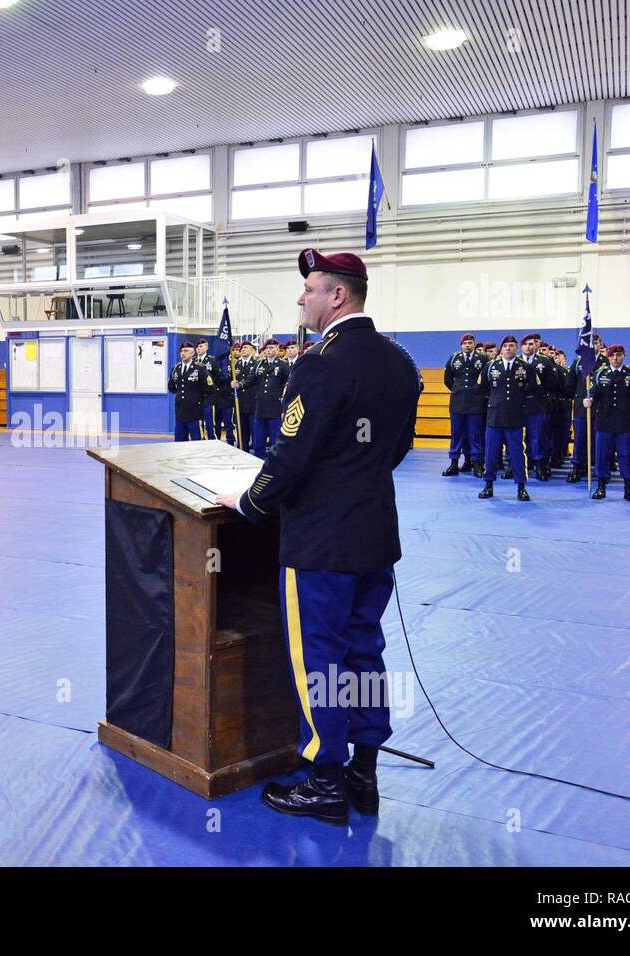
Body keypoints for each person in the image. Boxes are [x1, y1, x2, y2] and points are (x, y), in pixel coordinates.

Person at [215, 248, 418, 826]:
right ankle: (364, 771)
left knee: (321, 660)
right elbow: (396, 447)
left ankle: (324, 778)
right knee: (364, 650)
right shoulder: (399, 362)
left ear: (337, 296)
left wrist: (250, 501)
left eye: (309, 289)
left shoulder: (321, 363)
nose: (301, 299)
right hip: (374, 533)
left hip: (321, 542)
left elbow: (290, 455)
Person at [478, 335, 533, 501]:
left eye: (512, 346)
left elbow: (532, 390)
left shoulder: (525, 367)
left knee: (517, 454)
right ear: (501, 349)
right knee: (491, 454)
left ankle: (521, 487)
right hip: (494, 418)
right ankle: (488, 485)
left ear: (516, 348)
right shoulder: (490, 366)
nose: (508, 348)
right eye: (506, 346)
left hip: (515, 418)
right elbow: (482, 389)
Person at [586, 344, 630, 501]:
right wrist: (589, 399)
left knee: (626, 455)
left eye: (618, 355)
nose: (615, 358)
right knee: (602, 456)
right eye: (612, 356)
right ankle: (601, 487)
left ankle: (628, 489)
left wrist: (629, 408)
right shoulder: (600, 374)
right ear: (608, 357)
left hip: (624, 423)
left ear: (624, 355)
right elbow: (593, 392)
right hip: (604, 422)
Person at [442, 333, 486, 476]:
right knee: (456, 434)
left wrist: (477, 392)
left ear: (474, 344)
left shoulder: (482, 359)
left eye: (470, 343)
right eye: (465, 343)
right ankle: (454, 463)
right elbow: (448, 379)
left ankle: (477, 464)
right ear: (461, 345)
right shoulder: (454, 358)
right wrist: (458, 390)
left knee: (475, 434)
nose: (467, 345)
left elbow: (486, 380)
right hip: (458, 402)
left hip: (476, 402)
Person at [564, 333, 605, 483]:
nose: (592, 345)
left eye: (595, 342)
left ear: (600, 345)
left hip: (601, 408)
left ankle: (597, 468)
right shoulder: (578, 362)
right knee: (580, 439)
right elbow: (570, 384)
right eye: (589, 342)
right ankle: (577, 467)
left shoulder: (606, 362)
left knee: (599, 440)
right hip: (582, 408)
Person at [519, 333, 557, 481]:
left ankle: (540, 465)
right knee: (519, 437)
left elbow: (553, 382)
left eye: (531, 344)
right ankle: (520, 464)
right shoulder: (515, 361)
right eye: (526, 344)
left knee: (538, 436)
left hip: (537, 404)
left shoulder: (544, 361)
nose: (529, 346)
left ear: (536, 345)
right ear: (521, 347)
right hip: (519, 406)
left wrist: (540, 392)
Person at [243, 338, 286, 458]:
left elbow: (288, 383)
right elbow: (250, 379)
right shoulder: (259, 364)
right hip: (260, 407)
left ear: (278, 349)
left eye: (271, 348)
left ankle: (274, 465)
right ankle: (258, 460)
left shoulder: (283, 365)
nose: (268, 350)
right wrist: (240, 384)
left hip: (275, 407)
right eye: (267, 348)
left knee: (275, 439)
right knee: (258, 439)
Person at [168, 342, 212, 441]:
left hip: (195, 410)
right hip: (180, 410)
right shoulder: (176, 368)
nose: (183, 353)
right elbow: (171, 386)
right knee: (179, 439)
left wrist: (196, 397)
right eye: (181, 351)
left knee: (197, 440)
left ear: (192, 353)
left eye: (186, 351)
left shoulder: (200, 368)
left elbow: (209, 387)